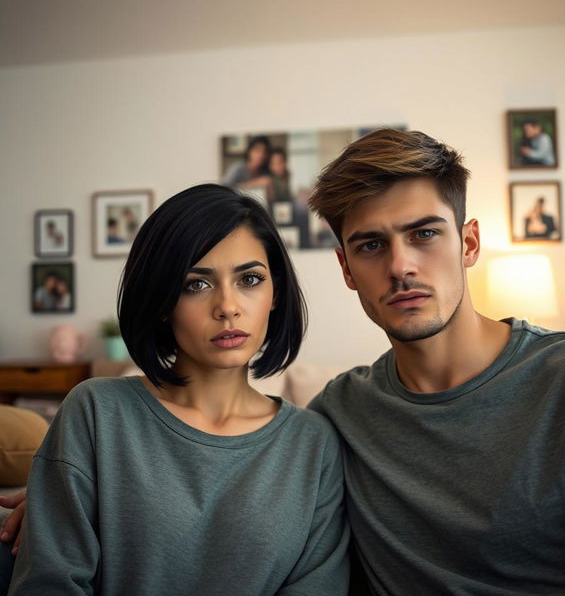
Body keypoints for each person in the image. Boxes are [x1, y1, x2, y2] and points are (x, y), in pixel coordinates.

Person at [306, 128, 565, 594]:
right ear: (346, 269)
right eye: (371, 245)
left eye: (424, 234)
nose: (401, 266)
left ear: (468, 244)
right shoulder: (337, 414)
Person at [3, 184, 349, 595]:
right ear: (163, 301)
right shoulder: (96, 412)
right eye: (195, 285)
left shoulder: (315, 443)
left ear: (275, 294)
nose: (227, 306)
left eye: (250, 279)